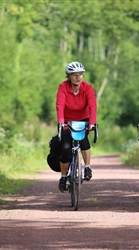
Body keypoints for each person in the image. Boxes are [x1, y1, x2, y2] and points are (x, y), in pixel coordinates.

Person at [56, 61, 97, 192]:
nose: (78, 77)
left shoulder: (88, 88)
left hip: (83, 120)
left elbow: (92, 106)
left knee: (84, 142)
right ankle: (63, 176)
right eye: (75, 75)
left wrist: (92, 123)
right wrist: (62, 123)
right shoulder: (63, 87)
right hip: (67, 121)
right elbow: (60, 106)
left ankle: (87, 167)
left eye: (81, 74)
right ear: (68, 76)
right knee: (66, 149)